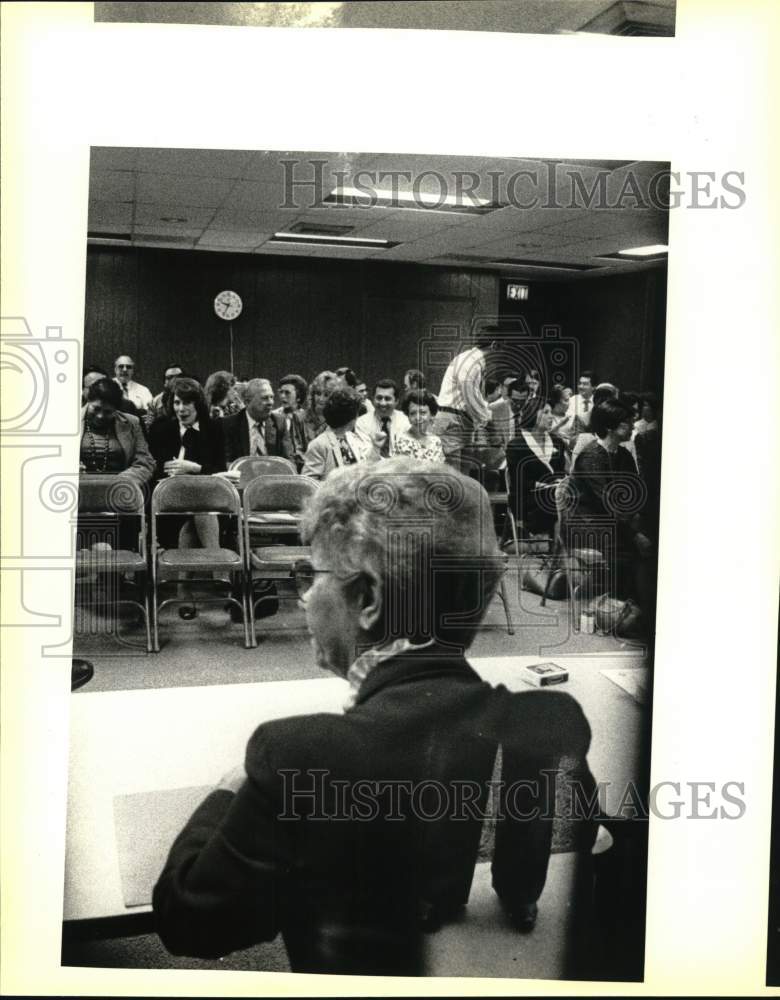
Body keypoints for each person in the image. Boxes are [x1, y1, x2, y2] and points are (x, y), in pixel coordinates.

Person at [153, 459, 597, 974]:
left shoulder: (296, 756)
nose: (303, 595)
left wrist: (230, 788)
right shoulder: (553, 725)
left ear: (368, 598)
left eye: (310, 573)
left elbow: (188, 920)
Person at [565, 400, 655, 618]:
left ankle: (633, 605)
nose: (633, 427)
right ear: (609, 427)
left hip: (613, 522)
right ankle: (625, 607)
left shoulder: (622, 454)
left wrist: (639, 523)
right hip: (588, 527)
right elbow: (608, 505)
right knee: (632, 547)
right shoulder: (590, 457)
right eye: (626, 423)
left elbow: (635, 494)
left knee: (649, 540)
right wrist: (635, 534)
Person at [148, 377, 228, 619]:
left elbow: (219, 469)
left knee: (197, 517)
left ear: (198, 405)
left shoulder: (213, 428)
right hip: (169, 507)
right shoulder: (161, 428)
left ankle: (184, 592)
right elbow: (154, 467)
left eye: (186, 404)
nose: (180, 409)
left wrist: (194, 468)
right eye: (176, 403)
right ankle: (220, 570)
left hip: (207, 505)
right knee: (196, 516)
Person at [432, 331, 499, 470]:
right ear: (494, 345)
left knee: (464, 477)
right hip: (452, 421)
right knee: (452, 477)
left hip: (463, 422)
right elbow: (470, 396)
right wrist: (488, 422)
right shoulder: (470, 362)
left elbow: (475, 396)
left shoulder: (474, 362)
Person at [505, 396, 567, 536]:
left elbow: (561, 473)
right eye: (545, 412)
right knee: (558, 498)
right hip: (527, 499)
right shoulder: (516, 445)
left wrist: (560, 483)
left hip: (555, 495)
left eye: (551, 412)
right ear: (533, 414)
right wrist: (545, 486)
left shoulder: (558, 442)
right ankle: (560, 548)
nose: (551, 417)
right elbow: (518, 482)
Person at [79, 377, 154, 484]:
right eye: (96, 408)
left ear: (116, 409)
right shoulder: (68, 421)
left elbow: (145, 463)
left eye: (108, 412)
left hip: (120, 490)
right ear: (88, 400)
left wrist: (120, 482)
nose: (100, 416)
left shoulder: (132, 423)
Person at [301, 388, 378, 479]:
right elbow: (309, 484)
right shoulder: (319, 444)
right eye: (357, 415)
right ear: (350, 417)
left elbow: (365, 468)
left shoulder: (352, 438)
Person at [221, 378, 293, 465]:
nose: (271, 402)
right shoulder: (229, 425)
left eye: (272, 397)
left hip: (272, 476)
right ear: (247, 402)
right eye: (265, 398)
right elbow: (226, 463)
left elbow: (288, 461)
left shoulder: (279, 423)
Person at [355, 379, 410, 458]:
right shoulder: (362, 423)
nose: (382, 403)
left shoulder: (405, 421)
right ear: (373, 399)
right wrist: (375, 447)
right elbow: (364, 457)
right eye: (379, 398)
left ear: (396, 401)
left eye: (387, 399)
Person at [394, 390, 445, 462]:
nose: (417, 418)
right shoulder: (402, 441)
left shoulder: (436, 441)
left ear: (431, 415)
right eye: (412, 413)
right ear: (408, 417)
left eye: (423, 412)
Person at [273, 373, 309, 469]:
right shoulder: (273, 416)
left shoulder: (306, 418)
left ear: (299, 396)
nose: (282, 396)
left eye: (287, 393)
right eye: (281, 392)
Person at [301, 370, 338, 449]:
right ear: (312, 394)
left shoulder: (339, 422)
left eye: (326, 395)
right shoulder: (300, 418)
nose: (321, 399)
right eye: (318, 393)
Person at [558, 370, 596, 444]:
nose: (581, 387)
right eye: (579, 383)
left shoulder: (597, 404)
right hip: (569, 441)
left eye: (585, 384)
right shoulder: (570, 401)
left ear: (594, 387)